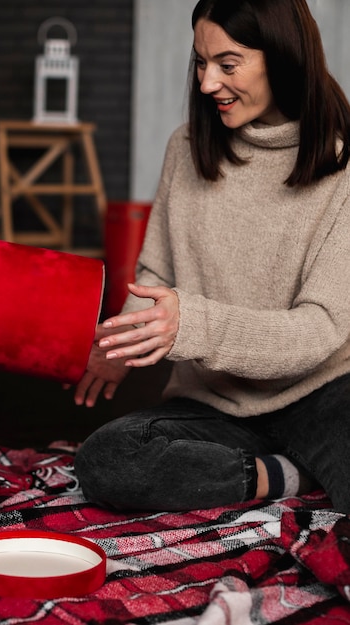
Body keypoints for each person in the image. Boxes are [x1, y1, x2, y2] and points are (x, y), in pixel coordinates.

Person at [74, 0, 350, 514]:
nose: (206, 84)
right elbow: (157, 273)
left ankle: (291, 461)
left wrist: (193, 326)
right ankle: (283, 474)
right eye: (201, 63)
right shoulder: (186, 147)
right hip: (215, 405)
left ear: (284, 56)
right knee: (107, 457)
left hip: (324, 394)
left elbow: (321, 329)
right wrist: (120, 342)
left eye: (228, 64)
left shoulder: (343, 167)